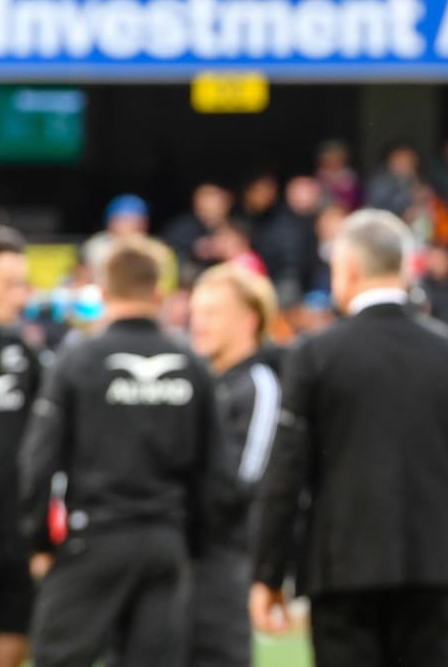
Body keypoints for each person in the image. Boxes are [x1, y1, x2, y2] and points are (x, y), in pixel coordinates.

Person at [251, 211, 448, 665]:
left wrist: (269, 575)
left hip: (342, 570)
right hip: (435, 570)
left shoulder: (314, 356)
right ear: (408, 270)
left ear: (347, 270)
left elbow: (286, 474)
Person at [19, 239, 222, 667]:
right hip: (165, 542)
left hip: (94, 537)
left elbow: (38, 462)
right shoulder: (191, 365)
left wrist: (38, 539)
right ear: (158, 294)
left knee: (57, 656)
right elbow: (215, 472)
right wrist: (193, 544)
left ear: (104, 293)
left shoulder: (77, 361)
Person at [187, 265, 282, 667]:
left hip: (225, 560)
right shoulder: (199, 382)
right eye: (196, 312)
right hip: (183, 556)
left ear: (249, 320)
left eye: (212, 313)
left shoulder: (257, 383)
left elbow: (245, 477)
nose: (199, 324)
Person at [0, 228, 41, 667]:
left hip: (13, 540)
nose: (20, 296)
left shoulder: (21, 355)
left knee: (13, 638)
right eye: (10, 283)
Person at [162, 182, 235, 276]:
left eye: (215, 200)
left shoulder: (237, 227)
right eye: (205, 199)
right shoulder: (182, 228)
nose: (209, 205)